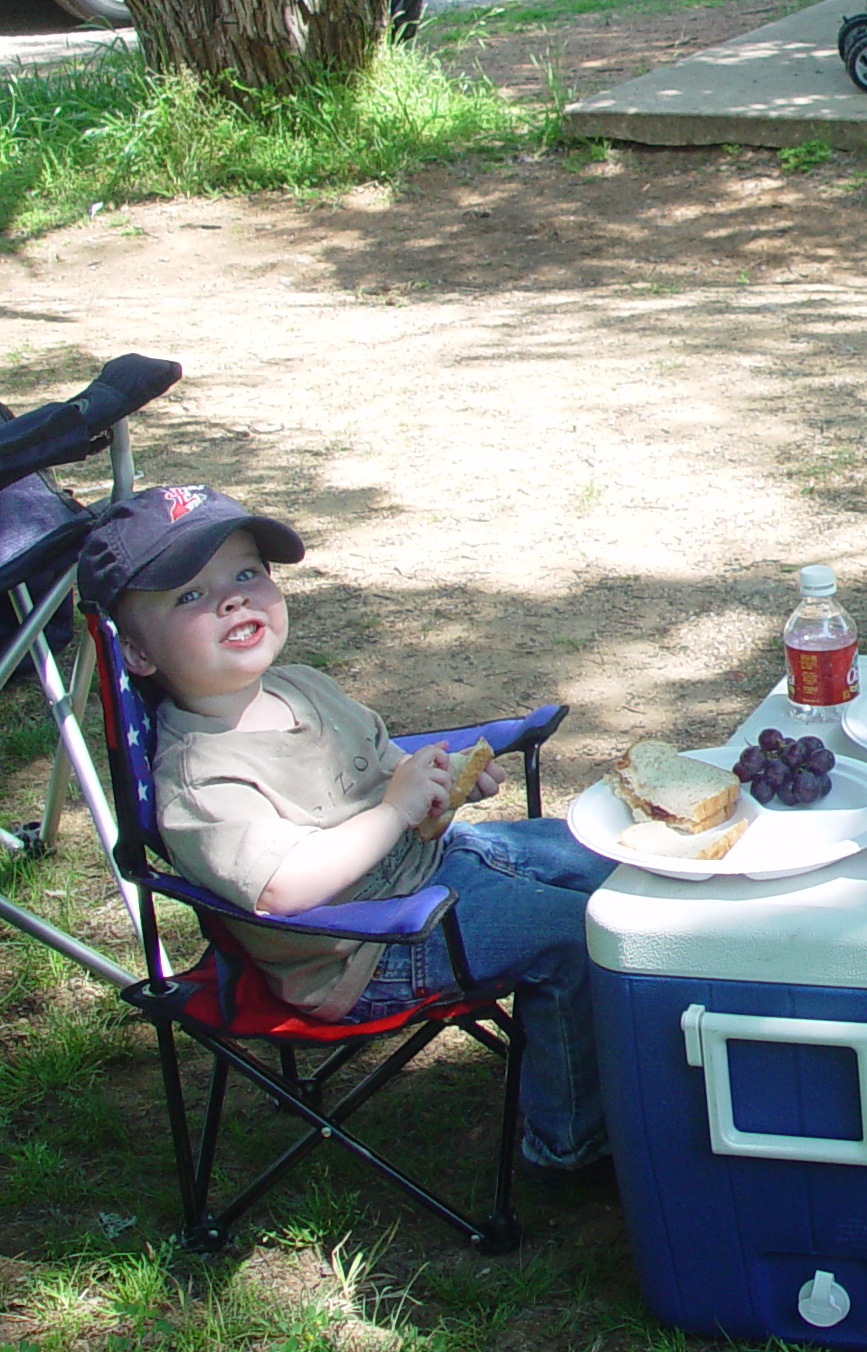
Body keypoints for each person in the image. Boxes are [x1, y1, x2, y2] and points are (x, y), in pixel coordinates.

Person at [79, 484, 618, 1174]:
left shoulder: (302, 686)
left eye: (247, 575)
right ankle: (571, 1144)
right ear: (139, 655)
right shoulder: (201, 776)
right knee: (578, 938)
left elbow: (386, 770)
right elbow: (282, 889)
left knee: (621, 864)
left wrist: (438, 786)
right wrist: (394, 810)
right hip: (358, 949)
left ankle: (677, 1053)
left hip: (436, 870)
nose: (233, 599)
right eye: (189, 594)